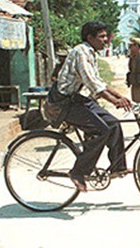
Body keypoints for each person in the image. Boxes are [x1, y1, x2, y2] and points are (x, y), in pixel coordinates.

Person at [55, 21, 133, 192]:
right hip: (66, 102)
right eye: (102, 37)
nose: (105, 40)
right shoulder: (81, 52)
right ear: (89, 38)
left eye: (106, 36)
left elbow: (99, 81)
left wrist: (120, 97)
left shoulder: (91, 53)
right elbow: (91, 83)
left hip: (81, 99)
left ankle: (118, 166)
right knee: (101, 131)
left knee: (113, 124)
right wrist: (114, 101)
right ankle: (78, 172)